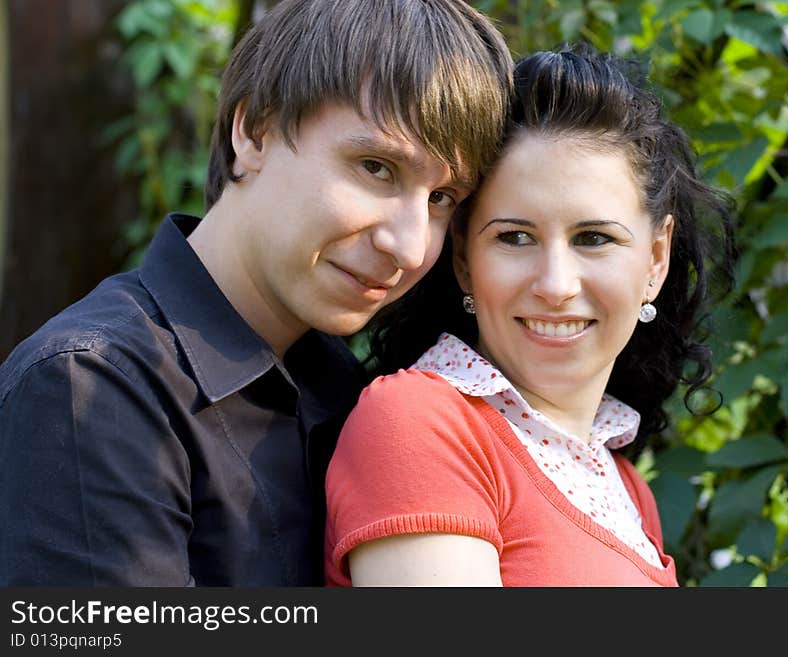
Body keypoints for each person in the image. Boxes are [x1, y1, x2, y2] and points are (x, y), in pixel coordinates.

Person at [0, 0, 513, 586]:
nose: (410, 245)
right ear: (254, 130)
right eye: (376, 167)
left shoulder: (359, 394)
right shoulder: (91, 385)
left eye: (442, 199)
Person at [324, 44, 739, 586]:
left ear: (656, 259)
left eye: (594, 238)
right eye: (515, 237)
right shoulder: (419, 422)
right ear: (464, 259)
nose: (555, 286)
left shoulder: (625, 487)